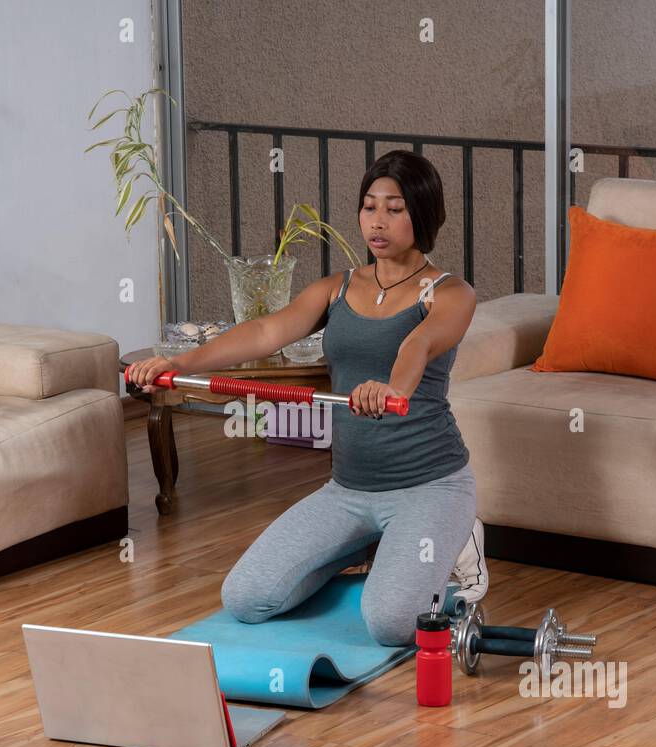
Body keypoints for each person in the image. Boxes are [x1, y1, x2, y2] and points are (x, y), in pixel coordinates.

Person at [127, 150, 488, 646]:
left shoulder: (450, 293)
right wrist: (179, 363)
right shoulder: (337, 288)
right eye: (368, 206)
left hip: (430, 487)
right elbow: (264, 331)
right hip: (349, 491)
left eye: (394, 208)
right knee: (247, 598)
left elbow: (418, 344)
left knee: (390, 624)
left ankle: (457, 551)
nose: (377, 221)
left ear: (422, 214)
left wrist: (391, 389)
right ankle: (378, 558)